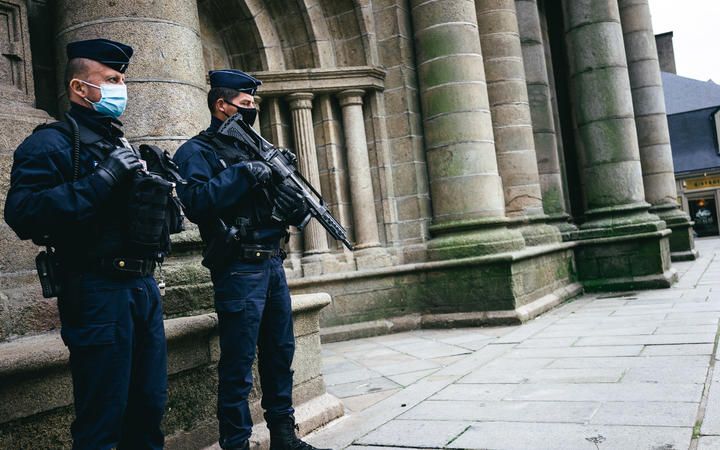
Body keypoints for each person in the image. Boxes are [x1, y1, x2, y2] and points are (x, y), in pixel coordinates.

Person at [4, 39, 169, 449]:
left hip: (142, 287)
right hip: (97, 291)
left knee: (147, 409)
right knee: (102, 418)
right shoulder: (51, 143)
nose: (121, 88)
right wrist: (102, 180)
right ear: (80, 88)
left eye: (122, 80)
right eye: (111, 79)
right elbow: (22, 213)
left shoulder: (119, 143)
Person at [172, 69, 327, 450]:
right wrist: (244, 173)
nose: (251, 111)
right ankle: (236, 443)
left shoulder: (259, 149)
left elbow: (271, 206)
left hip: (272, 264)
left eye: (253, 105)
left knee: (279, 355)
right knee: (239, 364)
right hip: (238, 267)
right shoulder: (197, 151)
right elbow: (194, 203)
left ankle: (284, 437)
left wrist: (289, 206)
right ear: (221, 106)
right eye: (244, 105)